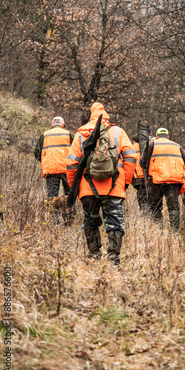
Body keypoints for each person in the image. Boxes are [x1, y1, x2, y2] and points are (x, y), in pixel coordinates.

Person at [66, 102, 137, 264]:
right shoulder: (118, 132)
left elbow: (71, 164)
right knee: (115, 222)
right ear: (106, 115)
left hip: (87, 188)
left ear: (90, 116)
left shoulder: (80, 134)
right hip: (114, 186)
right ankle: (113, 257)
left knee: (90, 221)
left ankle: (94, 255)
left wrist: (74, 187)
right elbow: (132, 158)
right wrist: (124, 182)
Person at [140, 127, 185, 230]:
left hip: (156, 180)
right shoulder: (177, 146)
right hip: (173, 180)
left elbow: (142, 163)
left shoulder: (151, 144)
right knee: (173, 207)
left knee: (156, 206)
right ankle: (174, 231)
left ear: (157, 136)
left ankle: (159, 229)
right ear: (168, 137)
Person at [34, 116, 75, 225]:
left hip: (51, 170)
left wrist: (46, 160)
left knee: (52, 196)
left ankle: (54, 222)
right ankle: (69, 221)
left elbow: (36, 153)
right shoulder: (69, 134)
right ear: (63, 125)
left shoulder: (45, 135)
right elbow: (78, 151)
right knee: (69, 195)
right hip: (67, 170)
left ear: (52, 125)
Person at [131, 135, 148, 215]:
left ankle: (143, 213)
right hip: (145, 176)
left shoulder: (131, 147)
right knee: (148, 197)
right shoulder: (146, 145)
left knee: (141, 197)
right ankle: (147, 215)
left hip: (136, 176)